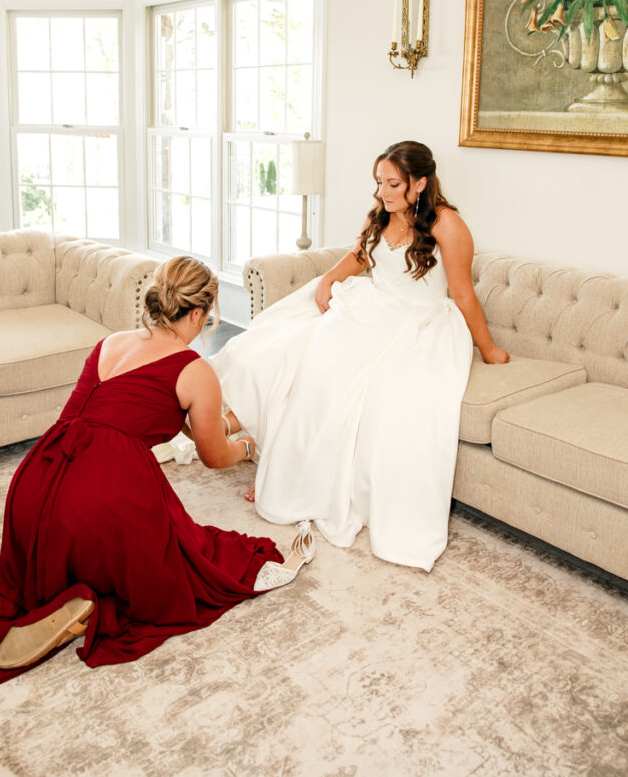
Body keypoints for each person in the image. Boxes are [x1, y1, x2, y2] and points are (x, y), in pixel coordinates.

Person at [0, 256, 314, 705]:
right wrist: (248, 448)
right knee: (178, 573)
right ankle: (85, 597)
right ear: (198, 314)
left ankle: (58, 596)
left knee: (45, 561)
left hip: (34, 483)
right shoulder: (195, 369)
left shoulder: (110, 343)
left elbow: (141, 412)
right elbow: (214, 456)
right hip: (102, 494)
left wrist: (218, 424)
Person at [211, 141, 509, 572]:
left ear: (420, 183)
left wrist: (489, 350)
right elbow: (359, 255)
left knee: (346, 378)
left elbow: (463, 294)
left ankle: (283, 472)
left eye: (393, 184)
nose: (383, 192)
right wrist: (328, 279)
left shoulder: (448, 224)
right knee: (297, 352)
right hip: (372, 306)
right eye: (379, 182)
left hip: (420, 322)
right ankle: (275, 466)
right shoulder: (382, 213)